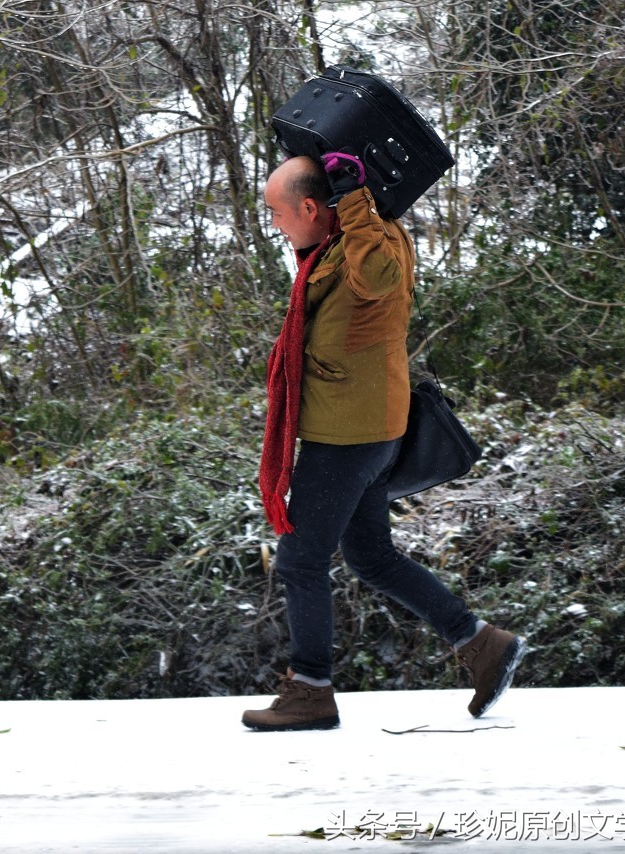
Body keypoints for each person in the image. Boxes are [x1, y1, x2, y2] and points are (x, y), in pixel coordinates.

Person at [243, 153, 525, 731]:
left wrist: (354, 201)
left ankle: (311, 691)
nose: (273, 223)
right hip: (363, 423)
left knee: (299, 559)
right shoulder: (338, 242)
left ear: (310, 207)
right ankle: (481, 643)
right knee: (370, 556)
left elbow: (376, 280)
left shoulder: (371, 243)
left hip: (349, 434)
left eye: (276, 211)